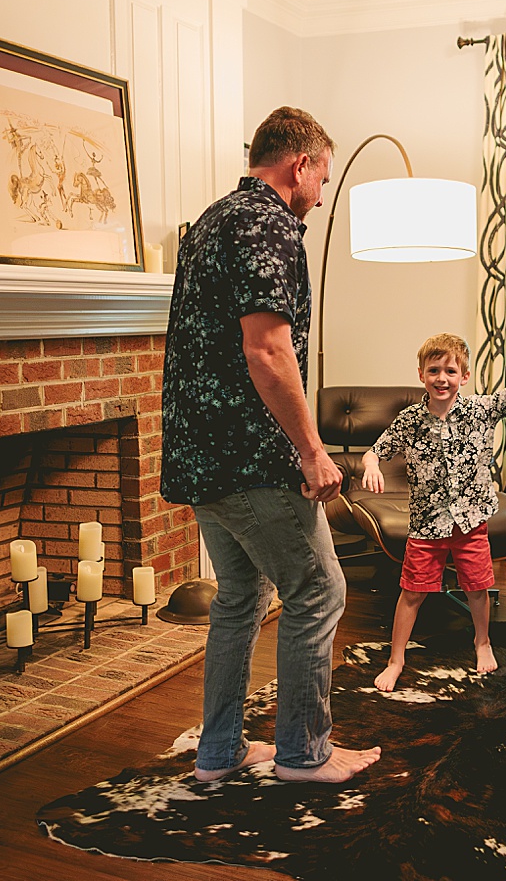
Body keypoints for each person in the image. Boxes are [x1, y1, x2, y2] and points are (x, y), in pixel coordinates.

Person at [161, 106, 381, 783]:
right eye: (323, 174)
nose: (321, 189)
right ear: (300, 165)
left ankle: (220, 750)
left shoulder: (212, 222)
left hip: (199, 454)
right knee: (318, 590)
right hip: (252, 457)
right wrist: (313, 450)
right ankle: (303, 754)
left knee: (240, 597)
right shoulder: (270, 223)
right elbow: (267, 348)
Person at [360, 323, 506, 691]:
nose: (442, 379)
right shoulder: (409, 420)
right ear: (421, 374)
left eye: (450, 371)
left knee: (477, 587)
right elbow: (374, 450)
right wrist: (372, 465)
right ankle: (396, 659)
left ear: (464, 376)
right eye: (434, 371)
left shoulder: (479, 410)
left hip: (471, 521)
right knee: (412, 592)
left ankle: (482, 642)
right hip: (427, 523)